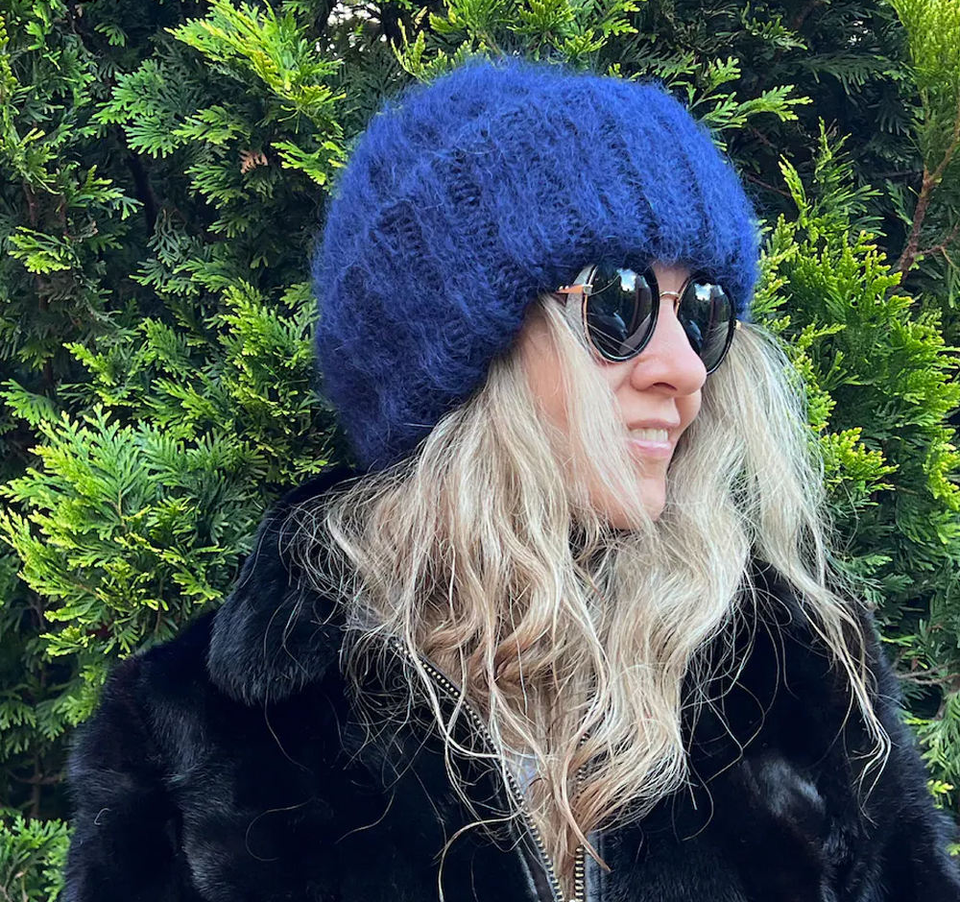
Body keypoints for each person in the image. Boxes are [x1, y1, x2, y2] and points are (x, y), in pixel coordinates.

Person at [61, 54, 960, 902]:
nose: (685, 368)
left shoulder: (802, 674)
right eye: (619, 302)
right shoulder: (200, 733)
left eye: (703, 311)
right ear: (454, 358)